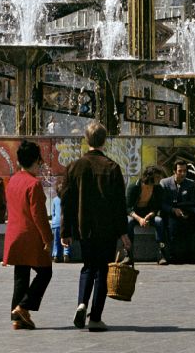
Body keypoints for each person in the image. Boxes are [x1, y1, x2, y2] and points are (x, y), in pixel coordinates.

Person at [60, 120, 130, 333]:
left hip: (84, 228)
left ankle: (81, 303)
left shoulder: (74, 167)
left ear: (86, 140)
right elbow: (120, 204)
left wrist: (66, 231)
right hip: (107, 229)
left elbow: (66, 201)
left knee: (88, 266)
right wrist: (123, 232)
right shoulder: (112, 167)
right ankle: (96, 317)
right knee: (102, 270)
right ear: (104, 141)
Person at [3, 140, 54, 330]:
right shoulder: (34, 184)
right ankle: (23, 307)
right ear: (37, 160)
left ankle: (17, 319)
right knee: (45, 272)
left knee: (21, 276)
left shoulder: (13, 180)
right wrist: (47, 238)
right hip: (30, 237)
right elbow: (39, 215)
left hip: (14, 236)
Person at [160, 158, 195, 263]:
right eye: (180, 171)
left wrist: (185, 211)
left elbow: (194, 202)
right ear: (174, 171)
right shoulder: (164, 183)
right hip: (170, 213)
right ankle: (172, 255)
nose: (183, 173)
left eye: (185, 171)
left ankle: (190, 254)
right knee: (172, 225)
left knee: (192, 223)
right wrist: (173, 209)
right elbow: (161, 203)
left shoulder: (191, 184)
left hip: (186, 212)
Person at [126, 165, 166, 264]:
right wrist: (139, 219)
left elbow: (157, 206)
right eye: (157, 177)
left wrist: (150, 215)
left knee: (159, 221)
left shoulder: (158, 188)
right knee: (128, 222)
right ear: (150, 177)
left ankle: (161, 253)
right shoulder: (134, 186)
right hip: (135, 214)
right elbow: (127, 208)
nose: (159, 179)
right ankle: (128, 254)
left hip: (148, 214)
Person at [51, 181, 71, 263]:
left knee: (56, 240)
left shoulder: (54, 200)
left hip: (56, 223)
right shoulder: (68, 199)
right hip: (66, 223)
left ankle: (56, 254)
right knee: (66, 239)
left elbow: (53, 213)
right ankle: (66, 254)